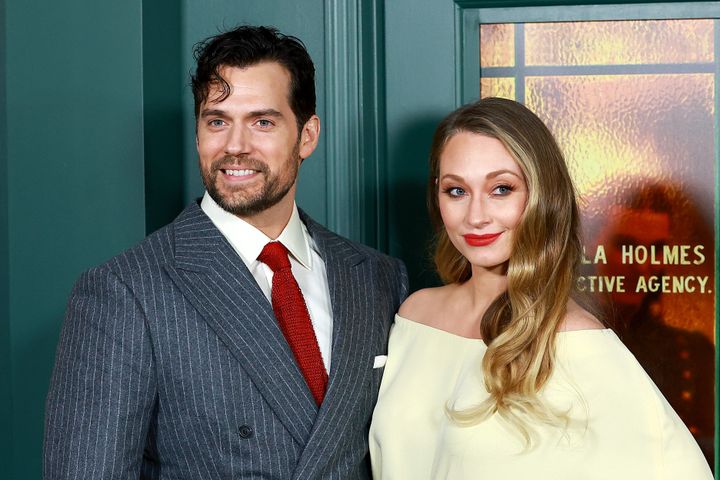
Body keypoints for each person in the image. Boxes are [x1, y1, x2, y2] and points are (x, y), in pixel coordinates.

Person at [44, 25, 407, 479]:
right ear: (198, 132)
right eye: (217, 120)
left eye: (262, 121)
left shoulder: (378, 277)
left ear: (307, 135)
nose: (235, 146)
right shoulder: (124, 291)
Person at [369, 97, 711, 479]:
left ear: (542, 196)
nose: (476, 216)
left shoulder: (576, 339)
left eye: (501, 189)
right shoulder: (415, 315)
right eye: (457, 191)